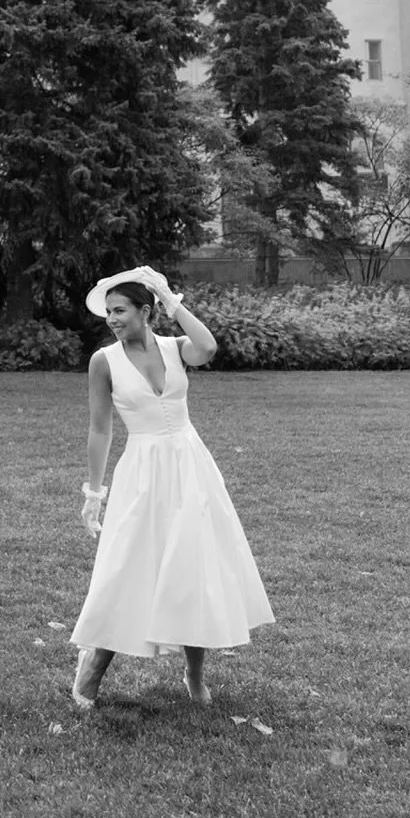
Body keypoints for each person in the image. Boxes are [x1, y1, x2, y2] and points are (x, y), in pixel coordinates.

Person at [70, 266, 273, 709]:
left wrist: (170, 297)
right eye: (108, 312)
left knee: (192, 567)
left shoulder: (176, 348)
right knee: (128, 567)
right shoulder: (104, 361)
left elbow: (208, 346)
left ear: (146, 311)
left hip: (189, 467)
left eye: (120, 310)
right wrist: (93, 492)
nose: (112, 319)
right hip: (141, 471)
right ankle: (93, 667)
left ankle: (193, 674)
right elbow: (100, 430)